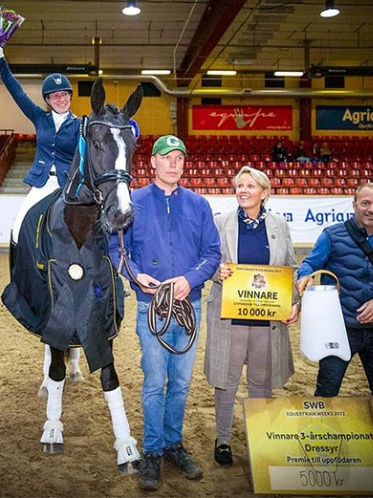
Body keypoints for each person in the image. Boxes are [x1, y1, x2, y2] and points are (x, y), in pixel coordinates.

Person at [109, 134, 221, 490]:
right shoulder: (133, 202)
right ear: (152, 163)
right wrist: (133, 273)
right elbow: (117, 247)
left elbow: (212, 254)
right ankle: (154, 450)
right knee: (155, 381)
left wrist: (190, 280)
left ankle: (173, 443)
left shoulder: (199, 205)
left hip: (189, 304)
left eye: (179, 158)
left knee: (183, 382)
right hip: (151, 307)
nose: (174, 163)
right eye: (166, 157)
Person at [0, 42, 84, 385]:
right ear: (47, 99)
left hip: (69, 187)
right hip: (41, 186)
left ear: (71, 97)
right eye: (55, 95)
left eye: (65, 94)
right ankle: (20, 277)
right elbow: (15, 91)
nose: (61, 98)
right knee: (18, 228)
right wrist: (1, 61)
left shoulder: (81, 123)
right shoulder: (39, 117)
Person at [204, 166, 300, 466]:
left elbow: (289, 266)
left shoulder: (279, 225)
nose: (243, 190)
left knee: (261, 381)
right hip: (229, 316)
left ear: (265, 192)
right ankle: (222, 440)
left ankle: (260, 437)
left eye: (250, 185)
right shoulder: (221, 222)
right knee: (226, 380)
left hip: (267, 321)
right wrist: (216, 270)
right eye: (239, 185)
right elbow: (207, 260)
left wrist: (294, 302)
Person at [296, 182, 373, 398]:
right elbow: (310, 265)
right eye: (365, 203)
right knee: (327, 392)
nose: (371, 209)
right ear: (354, 204)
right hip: (338, 329)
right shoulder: (331, 236)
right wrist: (304, 277)